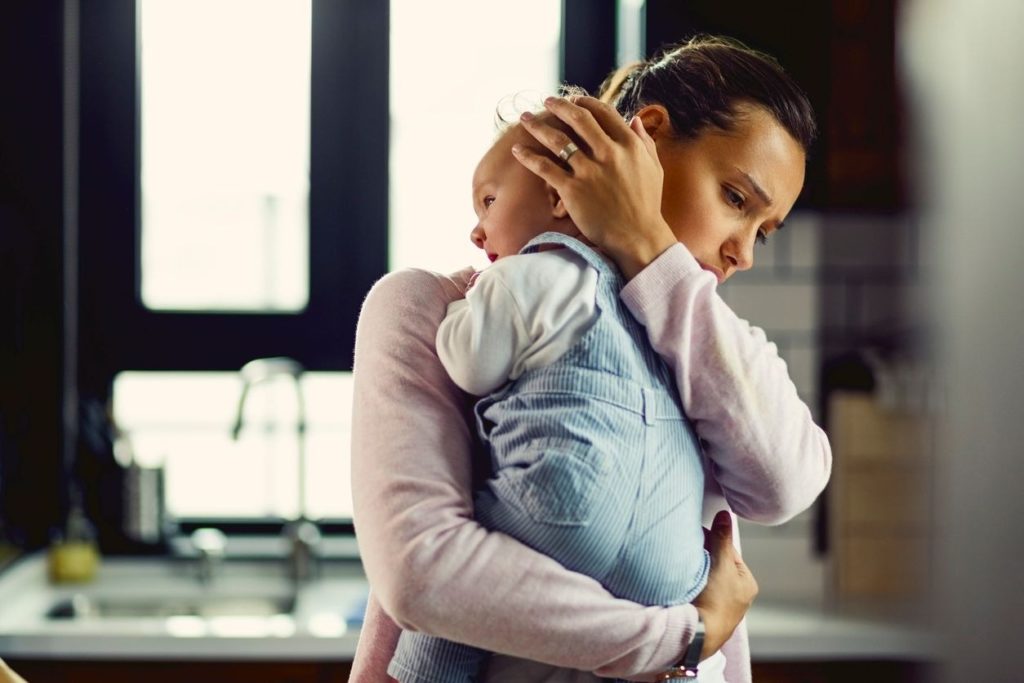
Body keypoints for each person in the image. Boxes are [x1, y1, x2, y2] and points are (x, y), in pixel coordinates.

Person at [351, 35, 831, 683]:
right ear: (651, 135)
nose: (743, 252)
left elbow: (781, 484)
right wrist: (682, 636)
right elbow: (424, 575)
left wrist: (649, 253)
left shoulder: (716, 341)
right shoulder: (437, 308)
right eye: (736, 199)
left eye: (763, 231)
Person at [389, 114, 718, 683]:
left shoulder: (526, 275)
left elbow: (469, 364)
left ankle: (425, 677)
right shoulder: (647, 302)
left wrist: (459, 312)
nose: (477, 230)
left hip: (564, 513)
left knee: (456, 570)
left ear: (558, 197)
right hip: (669, 566)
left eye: (488, 201)